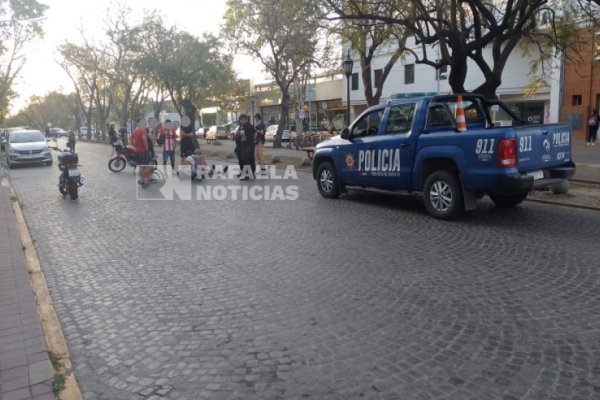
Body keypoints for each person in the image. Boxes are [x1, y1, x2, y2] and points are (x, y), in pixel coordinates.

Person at [131, 119, 153, 187]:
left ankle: (143, 181)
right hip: (143, 151)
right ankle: (142, 179)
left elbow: (131, 139)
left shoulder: (135, 130)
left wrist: (135, 146)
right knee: (150, 166)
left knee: (141, 166)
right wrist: (146, 148)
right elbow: (144, 139)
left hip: (138, 151)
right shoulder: (143, 130)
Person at [237, 114, 256, 180]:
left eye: (240, 120)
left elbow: (242, 134)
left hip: (245, 145)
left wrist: (243, 138)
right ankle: (252, 174)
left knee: (245, 160)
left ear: (243, 119)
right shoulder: (252, 126)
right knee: (251, 159)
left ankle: (246, 175)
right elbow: (255, 134)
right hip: (252, 145)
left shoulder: (243, 126)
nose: (240, 121)